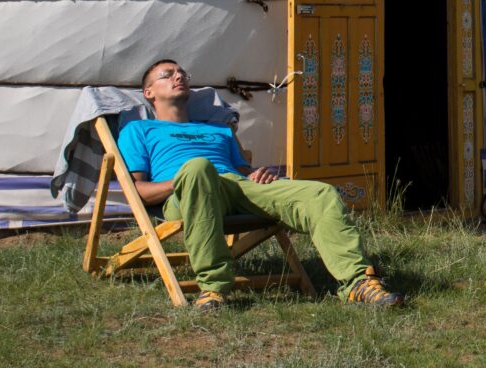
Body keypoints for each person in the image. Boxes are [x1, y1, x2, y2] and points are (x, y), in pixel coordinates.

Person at [118, 58, 402, 311]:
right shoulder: (138, 130)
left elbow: (243, 172)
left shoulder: (218, 129)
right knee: (198, 167)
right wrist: (185, 179)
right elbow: (139, 192)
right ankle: (213, 287)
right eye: (168, 74)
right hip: (188, 193)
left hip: (238, 186)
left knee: (320, 192)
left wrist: (257, 175)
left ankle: (357, 283)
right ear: (149, 92)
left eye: (182, 73)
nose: (179, 76)